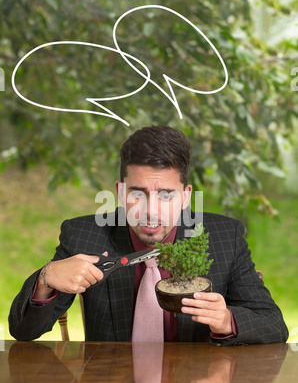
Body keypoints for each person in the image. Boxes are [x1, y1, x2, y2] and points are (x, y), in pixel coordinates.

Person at [9, 125, 288, 344]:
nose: (150, 211)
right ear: (120, 192)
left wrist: (228, 321)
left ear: (185, 197)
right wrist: (46, 278)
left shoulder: (225, 236)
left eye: (166, 195)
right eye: (137, 194)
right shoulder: (83, 235)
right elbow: (23, 331)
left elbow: (274, 324)